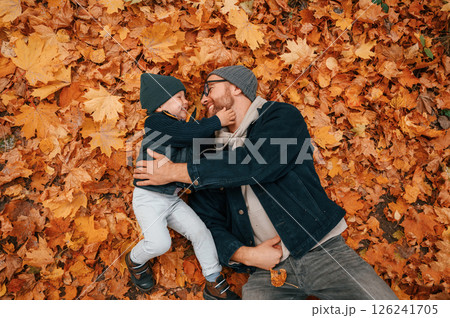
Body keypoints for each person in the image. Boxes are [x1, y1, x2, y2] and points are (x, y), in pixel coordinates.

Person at [133, 66, 398, 300]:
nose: (202, 100)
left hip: (323, 251)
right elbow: (208, 220)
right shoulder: (205, 150)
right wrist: (244, 255)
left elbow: (254, 164)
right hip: (265, 273)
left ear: (235, 87)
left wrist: (174, 172)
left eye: (209, 88)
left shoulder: (279, 116)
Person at [127, 73, 240, 300]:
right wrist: (217, 121)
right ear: (160, 105)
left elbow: (198, 142)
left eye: (186, 97)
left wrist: (211, 123)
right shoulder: (156, 122)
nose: (186, 102)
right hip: (148, 197)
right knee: (160, 243)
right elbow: (188, 133)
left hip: (171, 198)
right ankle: (134, 259)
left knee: (200, 232)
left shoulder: (182, 129)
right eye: (179, 97)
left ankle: (213, 279)